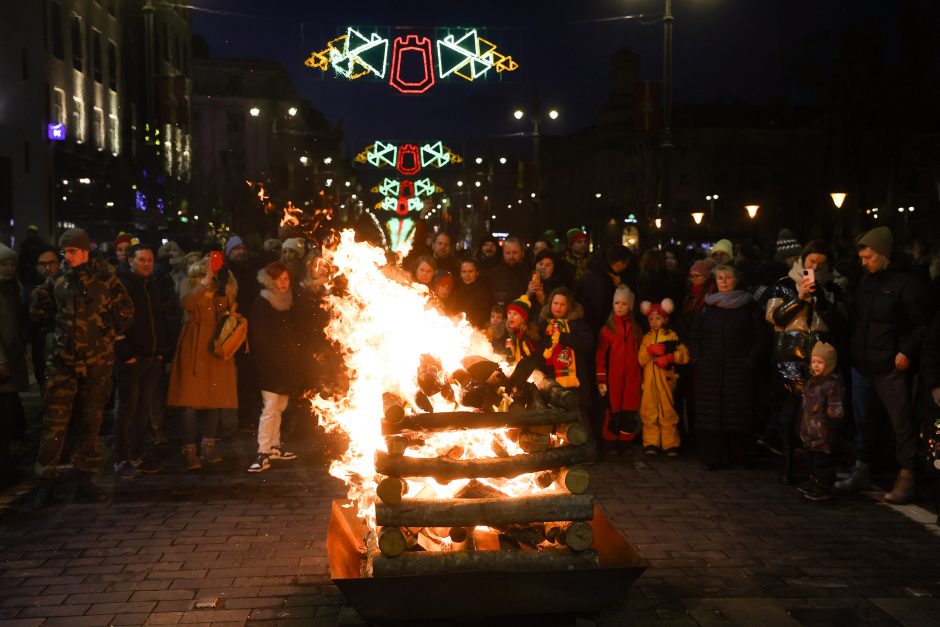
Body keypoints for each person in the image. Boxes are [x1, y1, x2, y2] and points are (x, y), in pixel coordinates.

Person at [30, 228, 134, 508]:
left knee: (91, 423)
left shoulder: (106, 280)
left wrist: (104, 335)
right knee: (54, 425)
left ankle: (85, 479)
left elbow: (125, 313)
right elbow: (39, 315)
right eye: (65, 251)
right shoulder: (56, 282)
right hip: (63, 363)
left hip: (96, 364)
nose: (67, 256)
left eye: (72, 251)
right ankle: (45, 482)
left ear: (85, 251)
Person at [836, 226, 930, 504]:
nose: (863, 263)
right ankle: (862, 467)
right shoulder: (867, 281)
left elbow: (923, 324)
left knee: (900, 423)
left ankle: (907, 475)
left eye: (869, 257)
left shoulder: (907, 283)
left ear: (884, 255)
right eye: (862, 258)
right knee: (864, 421)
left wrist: (906, 351)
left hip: (891, 366)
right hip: (863, 362)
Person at [762, 240, 842, 483]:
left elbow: (839, 323)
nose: (815, 267)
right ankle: (787, 463)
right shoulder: (783, 285)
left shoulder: (831, 288)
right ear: (803, 259)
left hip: (819, 354)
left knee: (815, 413)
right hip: (789, 353)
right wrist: (799, 298)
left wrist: (821, 298)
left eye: (821, 264)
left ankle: (814, 466)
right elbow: (773, 317)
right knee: (789, 409)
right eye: (811, 262)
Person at [690, 264, 768, 470]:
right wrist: (698, 359)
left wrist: (750, 363)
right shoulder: (707, 308)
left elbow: (761, 338)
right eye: (720, 278)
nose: (724, 281)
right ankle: (712, 456)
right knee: (710, 415)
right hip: (710, 370)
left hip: (739, 370)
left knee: (738, 415)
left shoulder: (749, 307)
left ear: (736, 279)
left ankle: (738, 455)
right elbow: (695, 336)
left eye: (728, 277)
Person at [166, 256, 238, 470]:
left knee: (213, 399)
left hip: (215, 345)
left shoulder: (221, 285)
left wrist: (225, 288)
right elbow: (187, 303)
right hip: (194, 345)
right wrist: (205, 281)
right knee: (189, 400)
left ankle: (209, 445)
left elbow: (228, 310)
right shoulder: (190, 283)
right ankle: (189, 449)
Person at [112, 243, 173, 478]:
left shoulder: (151, 285)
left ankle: (137, 454)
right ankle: (121, 458)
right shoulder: (122, 286)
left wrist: (161, 350)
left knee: (142, 410)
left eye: (150, 260)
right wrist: (125, 353)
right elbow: (115, 321)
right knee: (127, 409)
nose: (147, 264)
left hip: (151, 357)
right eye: (141, 260)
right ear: (130, 261)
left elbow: (158, 319)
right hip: (132, 359)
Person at [247, 262, 301, 473]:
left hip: (286, 365)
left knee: (279, 407)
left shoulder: (288, 301)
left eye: (286, 279)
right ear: (270, 280)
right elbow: (261, 339)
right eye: (278, 279)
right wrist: (275, 361)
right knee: (269, 408)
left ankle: (274, 447)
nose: (283, 283)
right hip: (269, 365)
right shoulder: (262, 303)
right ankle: (262, 452)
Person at [637, 299, 689, 456]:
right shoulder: (646, 338)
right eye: (651, 318)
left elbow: (685, 355)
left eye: (658, 318)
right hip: (649, 382)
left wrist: (671, 357)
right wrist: (649, 350)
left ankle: (671, 444)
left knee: (668, 411)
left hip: (666, 380)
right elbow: (640, 360)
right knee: (649, 411)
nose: (654, 322)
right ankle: (651, 442)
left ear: (665, 319)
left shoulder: (672, 336)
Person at [596, 285, 642, 453]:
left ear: (630, 306)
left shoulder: (636, 330)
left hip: (632, 377)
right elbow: (601, 357)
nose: (620, 306)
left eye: (624, 303)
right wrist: (601, 379)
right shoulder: (607, 330)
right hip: (613, 378)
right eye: (617, 303)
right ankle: (610, 440)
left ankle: (625, 441)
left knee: (629, 409)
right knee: (613, 409)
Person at [798, 341, 844, 501]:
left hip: (823, 433)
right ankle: (814, 482)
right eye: (814, 362)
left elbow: (835, 410)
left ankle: (823, 486)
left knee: (823, 463)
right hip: (810, 432)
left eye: (820, 362)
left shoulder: (831, 385)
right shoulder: (811, 382)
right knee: (812, 461)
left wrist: (832, 431)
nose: (816, 366)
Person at [226, 235, 261, 434]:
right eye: (235, 249)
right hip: (233, 327)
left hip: (251, 328)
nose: (240, 252)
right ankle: (236, 418)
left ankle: (247, 417)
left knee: (249, 374)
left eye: (242, 248)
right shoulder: (227, 274)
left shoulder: (252, 272)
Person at [539, 287, 594, 412]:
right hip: (552, 383)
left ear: (569, 306)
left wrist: (563, 337)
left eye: (562, 304)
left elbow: (588, 344)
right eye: (555, 303)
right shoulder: (543, 324)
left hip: (576, 385)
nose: (558, 307)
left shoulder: (578, 323)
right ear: (550, 304)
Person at [0, 243, 28, 483]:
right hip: (3, 365)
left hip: (11, 359)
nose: (8, 268)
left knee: (9, 417)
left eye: (11, 264)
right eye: (3, 264)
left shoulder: (12, 289)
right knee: (5, 417)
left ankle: (8, 465)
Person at [576, 244, 634, 336]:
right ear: (619, 263)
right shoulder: (602, 277)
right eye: (626, 263)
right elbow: (600, 308)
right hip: (597, 330)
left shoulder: (596, 268)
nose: (626, 267)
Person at [24, 245, 60, 391]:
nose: (48, 267)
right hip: (40, 345)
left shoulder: (67, 286)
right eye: (43, 264)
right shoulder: (29, 290)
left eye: (52, 263)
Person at [487, 237, 531, 308]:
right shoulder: (493, 274)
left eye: (515, 252)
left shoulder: (529, 274)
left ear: (522, 253)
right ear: (503, 254)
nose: (511, 256)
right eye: (508, 253)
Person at [452, 259, 491, 329]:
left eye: (470, 271)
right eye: (464, 272)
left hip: (477, 329)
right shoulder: (455, 289)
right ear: (460, 273)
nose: (467, 275)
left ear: (476, 272)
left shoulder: (483, 290)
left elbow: (483, 313)